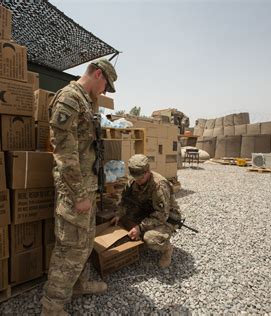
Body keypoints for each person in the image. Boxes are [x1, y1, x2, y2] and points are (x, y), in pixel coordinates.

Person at [41, 58, 117, 316]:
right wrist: (79, 195)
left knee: (84, 243)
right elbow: (64, 154)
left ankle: (78, 285)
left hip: (86, 187)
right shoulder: (70, 99)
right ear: (98, 74)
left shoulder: (85, 101)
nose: (104, 91)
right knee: (70, 248)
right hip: (75, 192)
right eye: (106, 84)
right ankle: (52, 307)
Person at [111, 154, 182, 269]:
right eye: (135, 178)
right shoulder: (133, 181)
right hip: (146, 212)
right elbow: (124, 201)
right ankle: (140, 239)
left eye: (141, 178)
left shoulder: (159, 185)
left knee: (150, 238)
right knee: (121, 221)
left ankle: (167, 249)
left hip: (165, 217)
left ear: (148, 171)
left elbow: (162, 214)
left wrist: (140, 228)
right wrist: (119, 214)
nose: (138, 181)